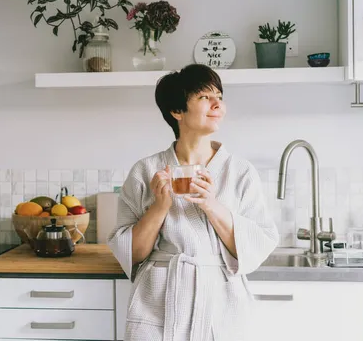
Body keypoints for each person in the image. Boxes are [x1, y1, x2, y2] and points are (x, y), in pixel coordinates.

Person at [108, 63, 279, 341]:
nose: (217, 105)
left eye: (219, 97)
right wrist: (160, 207)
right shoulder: (146, 171)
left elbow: (258, 245)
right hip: (160, 302)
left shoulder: (240, 171)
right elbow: (132, 253)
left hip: (221, 304)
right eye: (204, 97)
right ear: (177, 111)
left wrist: (211, 204)